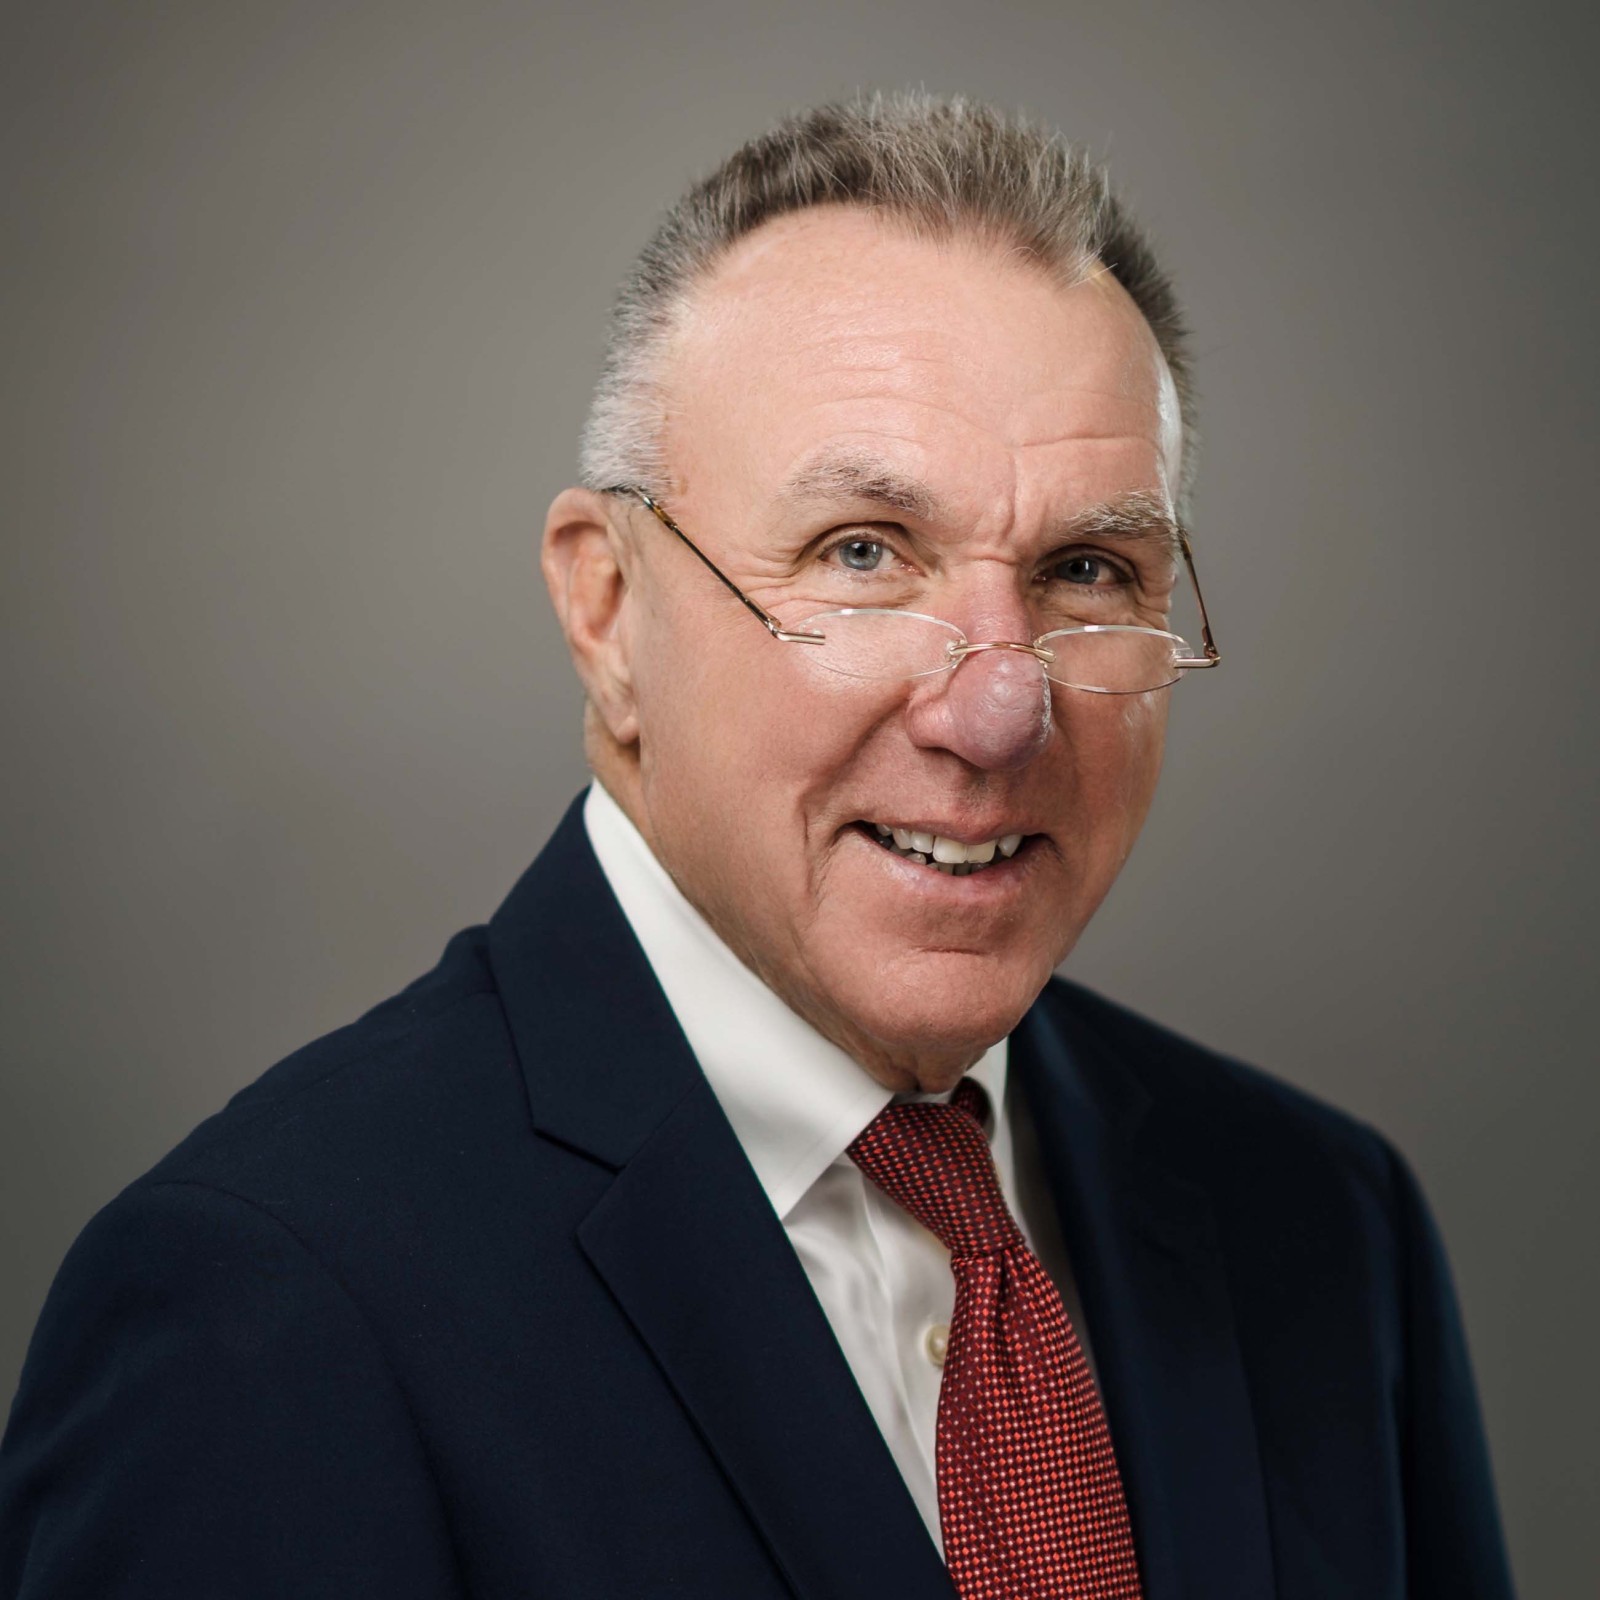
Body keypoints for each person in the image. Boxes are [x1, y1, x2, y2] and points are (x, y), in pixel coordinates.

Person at [0, 93, 1513, 1599]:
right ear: (608, 615)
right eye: (863, 553)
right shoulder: (267, 1313)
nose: (997, 707)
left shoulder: (1322, 1225)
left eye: (1085, 568)